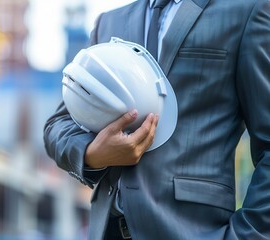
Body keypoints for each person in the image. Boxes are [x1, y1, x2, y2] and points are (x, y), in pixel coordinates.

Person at [43, 0, 270, 239]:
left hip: (195, 231)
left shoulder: (247, 11)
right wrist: (92, 153)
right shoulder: (109, 22)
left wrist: (247, 235)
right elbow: (59, 124)